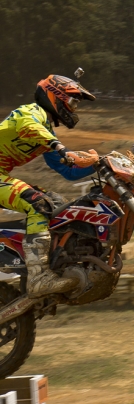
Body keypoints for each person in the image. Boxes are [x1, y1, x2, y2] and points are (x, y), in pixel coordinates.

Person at [0, 74, 98, 298]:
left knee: (56, 203)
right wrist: (60, 147)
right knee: (38, 203)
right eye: (72, 102)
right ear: (55, 96)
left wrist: (100, 164)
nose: (73, 109)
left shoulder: (46, 133)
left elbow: (68, 171)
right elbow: (28, 126)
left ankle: (53, 264)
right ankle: (38, 277)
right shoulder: (30, 112)